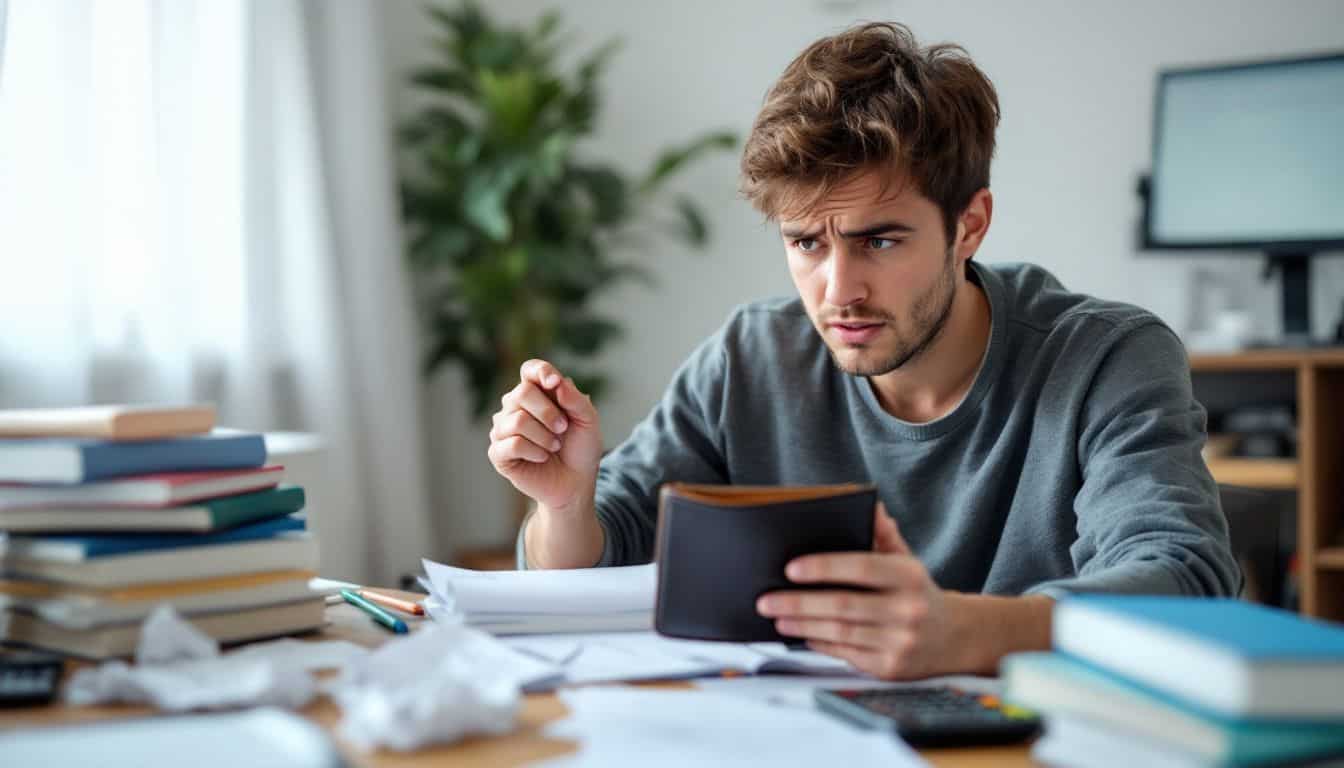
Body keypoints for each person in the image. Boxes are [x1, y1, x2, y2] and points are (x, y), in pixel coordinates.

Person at [486, 22, 1239, 680]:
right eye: (806, 242)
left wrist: (962, 631)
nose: (838, 289)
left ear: (969, 225)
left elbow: (1186, 581)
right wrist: (564, 504)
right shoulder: (752, 356)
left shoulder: (1107, 359)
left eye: (879, 240)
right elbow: (599, 555)